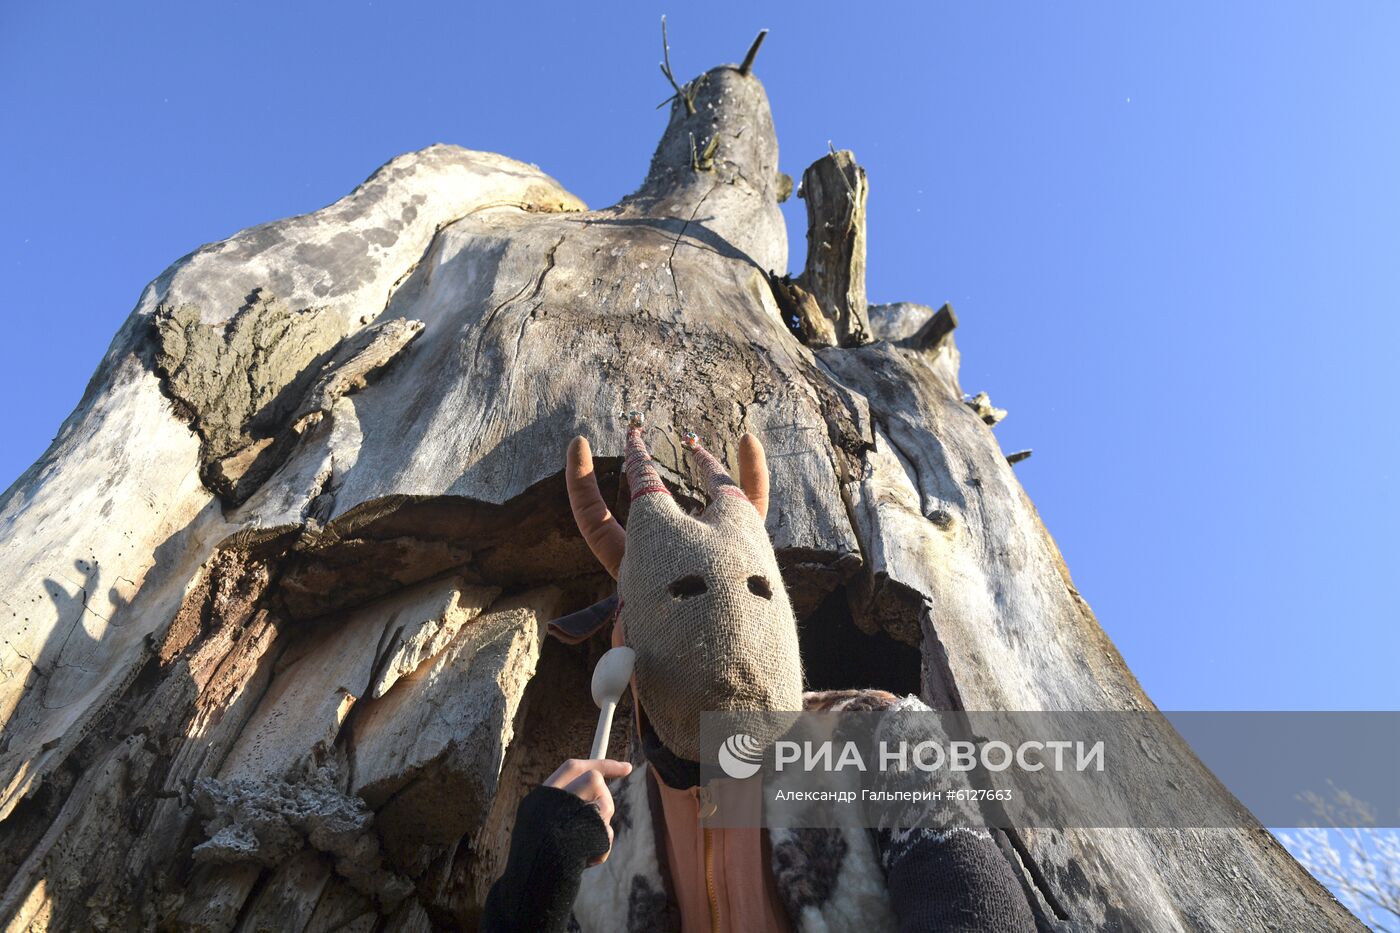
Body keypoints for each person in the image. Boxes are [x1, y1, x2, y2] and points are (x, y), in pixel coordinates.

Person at [482, 416, 1037, 932]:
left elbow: (971, 902)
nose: (727, 627)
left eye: (756, 590)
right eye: (685, 594)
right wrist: (532, 896)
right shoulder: (606, 825)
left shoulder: (880, 739)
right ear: (620, 642)